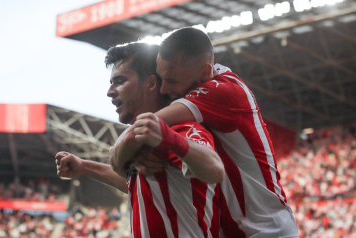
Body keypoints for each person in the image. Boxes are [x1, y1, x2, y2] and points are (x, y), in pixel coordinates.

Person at [110, 28, 299, 237]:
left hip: (266, 230)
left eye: (171, 80)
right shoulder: (199, 92)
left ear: (205, 72)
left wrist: (122, 157)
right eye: (161, 79)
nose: (163, 89)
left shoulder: (222, 90)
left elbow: (147, 126)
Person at [55, 43, 225, 237]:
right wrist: (84, 167)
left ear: (151, 84)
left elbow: (215, 169)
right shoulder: (141, 145)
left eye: (120, 81)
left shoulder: (180, 129)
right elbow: (135, 183)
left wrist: (170, 139)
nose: (110, 91)